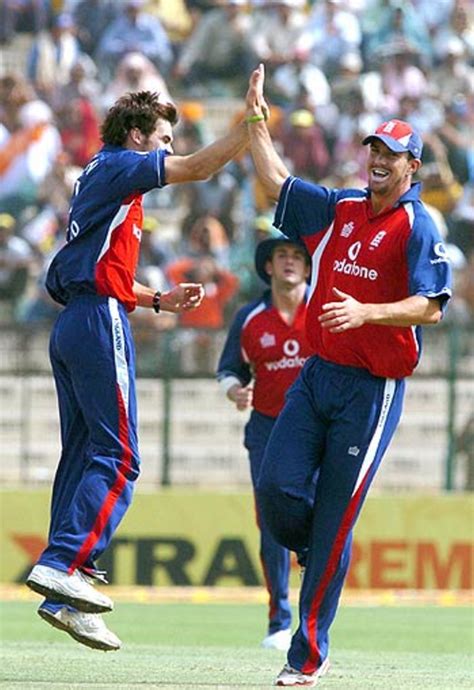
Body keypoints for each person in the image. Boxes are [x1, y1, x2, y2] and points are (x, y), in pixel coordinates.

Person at [245, 65, 452, 686]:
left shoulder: (418, 225)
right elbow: (276, 180)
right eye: (374, 150)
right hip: (316, 377)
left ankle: (306, 657)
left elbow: (432, 306)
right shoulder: (340, 209)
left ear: (413, 166)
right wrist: (256, 122)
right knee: (275, 489)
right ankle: (326, 551)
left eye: (393, 153)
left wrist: (368, 311)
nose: (380, 160)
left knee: (335, 515)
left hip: (372, 389)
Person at [26, 89, 251, 652]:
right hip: (98, 319)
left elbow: (98, 269)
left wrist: (158, 300)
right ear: (136, 135)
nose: (168, 147)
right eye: (163, 137)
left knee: (82, 456)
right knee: (121, 456)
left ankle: (66, 589)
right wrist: (251, 127)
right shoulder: (126, 165)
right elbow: (200, 168)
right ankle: (65, 562)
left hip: (78, 318)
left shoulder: (99, 173)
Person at [217, 234, 312, 652]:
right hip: (268, 431)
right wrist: (235, 390)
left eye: (297, 256)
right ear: (268, 267)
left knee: (322, 522)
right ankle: (279, 620)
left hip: (319, 431)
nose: (289, 263)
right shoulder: (250, 317)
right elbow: (228, 371)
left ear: (309, 267)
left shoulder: (327, 308)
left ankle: (314, 621)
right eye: (281, 256)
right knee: (272, 523)